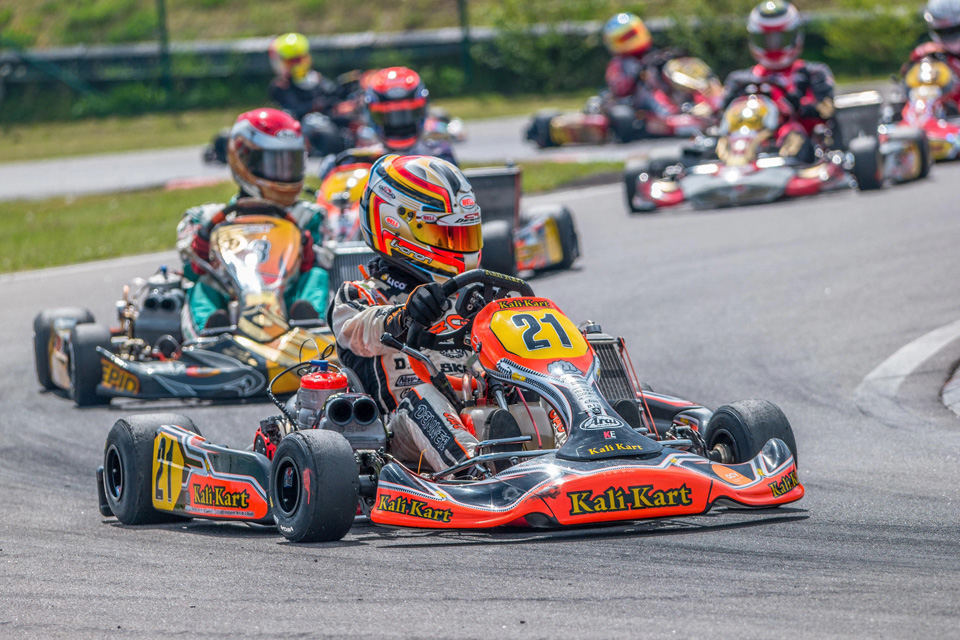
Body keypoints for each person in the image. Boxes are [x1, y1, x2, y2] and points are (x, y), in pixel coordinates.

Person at [329, 154, 512, 472]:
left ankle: (593, 447)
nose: (459, 246)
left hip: (477, 408)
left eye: (464, 234)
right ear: (397, 226)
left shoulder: (473, 298)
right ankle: (474, 474)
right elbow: (359, 333)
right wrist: (405, 316)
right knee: (421, 397)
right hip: (397, 435)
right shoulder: (360, 294)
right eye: (446, 235)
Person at [177, 108, 330, 334]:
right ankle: (209, 337)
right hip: (232, 300)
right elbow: (189, 269)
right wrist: (198, 251)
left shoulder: (309, 216)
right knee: (201, 285)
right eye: (274, 163)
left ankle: (312, 326)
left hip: (288, 300)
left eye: (291, 162)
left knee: (318, 276)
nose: (284, 172)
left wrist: (310, 254)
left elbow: (328, 260)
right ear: (243, 159)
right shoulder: (208, 218)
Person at [721, 0, 836, 161]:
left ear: (795, 36)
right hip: (746, 135)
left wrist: (797, 105)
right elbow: (721, 113)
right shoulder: (740, 80)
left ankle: (788, 164)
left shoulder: (813, 73)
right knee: (709, 143)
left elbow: (827, 110)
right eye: (766, 40)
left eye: (779, 39)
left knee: (795, 138)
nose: (773, 46)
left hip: (791, 133)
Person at [363, 66, 457, 165]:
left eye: (405, 114)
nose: (398, 125)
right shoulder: (363, 151)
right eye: (389, 116)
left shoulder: (438, 152)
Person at [601, 12, 679, 116]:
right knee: (649, 93)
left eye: (632, 34)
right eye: (626, 37)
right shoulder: (620, 63)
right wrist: (638, 72)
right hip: (636, 101)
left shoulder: (656, 55)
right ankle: (668, 114)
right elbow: (619, 89)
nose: (631, 39)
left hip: (666, 94)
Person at [268, 32, 339, 121]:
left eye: (300, 59)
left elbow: (334, 94)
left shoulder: (317, 79)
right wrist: (318, 106)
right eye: (292, 61)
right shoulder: (281, 86)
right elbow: (293, 110)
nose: (298, 64)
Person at [903, 0, 960, 112]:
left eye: (953, 30)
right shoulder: (923, 54)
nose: (948, 33)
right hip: (934, 114)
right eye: (943, 31)